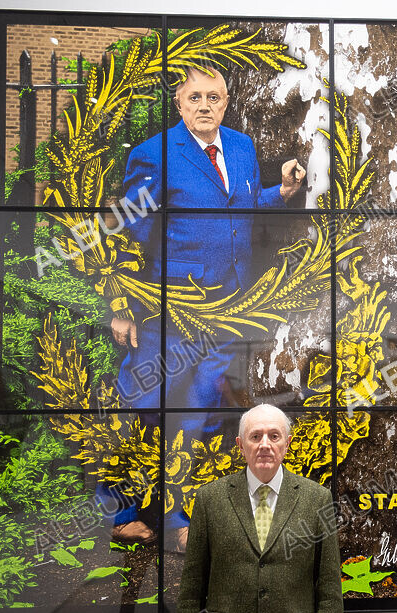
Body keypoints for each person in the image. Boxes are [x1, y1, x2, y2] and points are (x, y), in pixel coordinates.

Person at [97, 65, 307, 549]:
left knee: (201, 413)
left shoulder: (240, 147)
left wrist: (284, 194)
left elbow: (244, 206)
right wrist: (123, 302)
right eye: (195, 97)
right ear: (179, 103)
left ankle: (177, 520)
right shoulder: (153, 155)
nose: (205, 106)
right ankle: (122, 512)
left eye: (214, 97)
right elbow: (129, 232)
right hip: (168, 311)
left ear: (227, 102)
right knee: (144, 405)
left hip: (228, 309)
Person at [173, 403, 343, 613]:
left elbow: (328, 588)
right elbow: (192, 586)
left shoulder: (317, 500)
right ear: (241, 445)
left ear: (287, 444)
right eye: (255, 436)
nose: (265, 444)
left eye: (274, 436)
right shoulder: (209, 500)